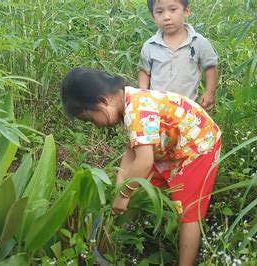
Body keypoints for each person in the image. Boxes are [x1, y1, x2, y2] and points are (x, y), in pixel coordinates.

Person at [60, 67, 222, 265]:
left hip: (197, 146)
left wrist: (124, 195)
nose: (95, 125)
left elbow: (144, 161)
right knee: (138, 187)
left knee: (188, 210)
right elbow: (132, 150)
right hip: (169, 147)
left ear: (103, 101)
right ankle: (120, 240)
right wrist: (122, 182)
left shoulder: (137, 110)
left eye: (92, 120)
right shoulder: (127, 100)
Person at [138, 0, 219, 110]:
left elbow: (211, 67)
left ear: (186, 10)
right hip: (156, 110)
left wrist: (209, 92)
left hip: (187, 110)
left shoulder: (199, 43)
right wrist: (142, 94)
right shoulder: (149, 46)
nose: (166, 17)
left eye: (173, 10)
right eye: (159, 12)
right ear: (153, 16)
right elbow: (144, 71)